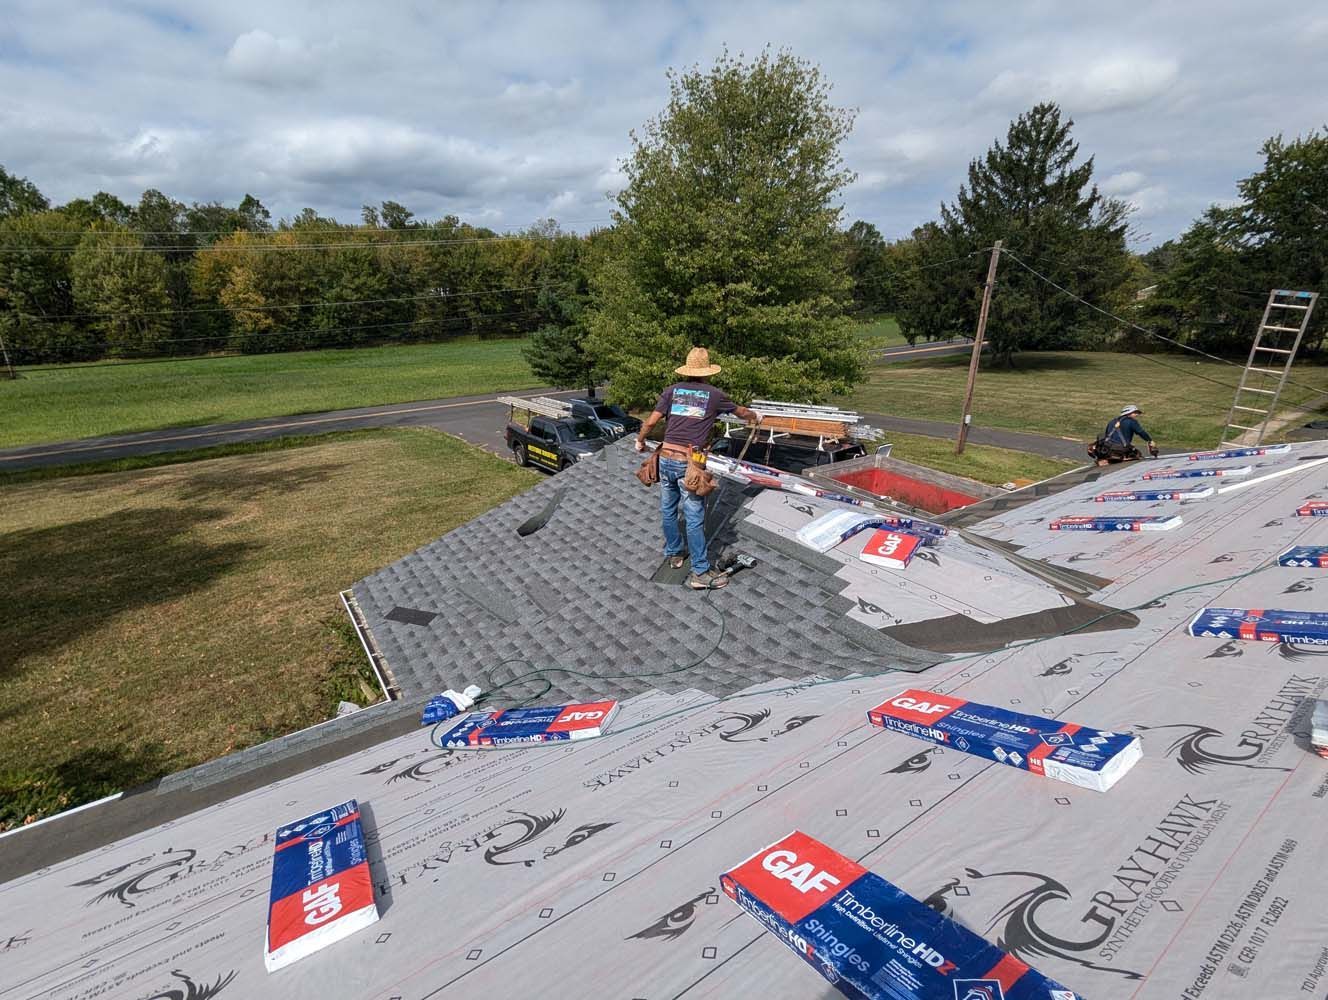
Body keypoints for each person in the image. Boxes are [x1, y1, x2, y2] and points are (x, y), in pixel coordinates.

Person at [635, 347, 762, 590]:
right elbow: (741, 412)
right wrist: (756, 416)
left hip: (665, 458)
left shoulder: (672, 391)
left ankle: (674, 553)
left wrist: (640, 440)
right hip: (689, 464)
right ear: (707, 372)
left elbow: (651, 421)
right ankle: (700, 573)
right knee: (694, 517)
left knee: (668, 509)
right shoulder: (714, 395)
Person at [1089, 404, 1159, 465]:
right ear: (1129, 412)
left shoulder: (1112, 421)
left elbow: (1107, 434)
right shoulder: (1132, 422)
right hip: (1120, 449)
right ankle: (1115, 460)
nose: (1137, 414)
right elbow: (1141, 432)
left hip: (1106, 448)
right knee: (1137, 455)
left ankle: (1106, 459)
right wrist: (1150, 440)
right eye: (1135, 412)